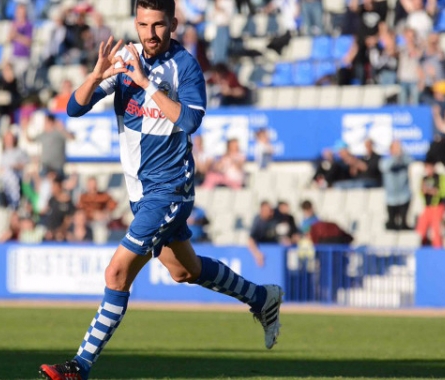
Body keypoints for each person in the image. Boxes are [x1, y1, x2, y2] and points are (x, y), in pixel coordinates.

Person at [39, 3, 283, 377]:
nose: (149, 34)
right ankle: (261, 298)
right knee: (185, 271)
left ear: (173, 24)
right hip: (141, 193)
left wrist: (146, 83)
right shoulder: (126, 58)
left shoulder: (185, 67)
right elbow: (74, 108)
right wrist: (96, 75)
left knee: (116, 273)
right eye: (142, 24)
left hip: (170, 190)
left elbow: (189, 120)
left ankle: (79, 367)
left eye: (157, 25)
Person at [415, 160, 445, 248]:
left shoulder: (440, 177)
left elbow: (444, 192)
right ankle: (422, 248)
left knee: (436, 231)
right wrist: (424, 191)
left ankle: (438, 251)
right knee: (420, 230)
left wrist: (435, 192)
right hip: (427, 207)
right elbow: (421, 193)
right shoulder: (424, 179)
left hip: (438, 207)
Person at [380, 140, 412, 230]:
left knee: (403, 224)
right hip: (391, 198)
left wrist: (401, 154)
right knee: (391, 224)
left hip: (404, 196)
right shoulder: (385, 160)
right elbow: (385, 167)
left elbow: (410, 161)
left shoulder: (404, 158)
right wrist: (395, 157)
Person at [247, 201, 276, 267]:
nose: (271, 212)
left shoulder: (275, 219)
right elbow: (251, 239)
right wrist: (257, 254)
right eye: (268, 210)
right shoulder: (258, 221)